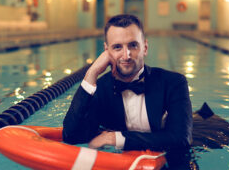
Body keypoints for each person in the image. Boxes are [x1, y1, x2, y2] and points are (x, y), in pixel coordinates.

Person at [63, 14, 193, 169]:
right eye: (117, 47)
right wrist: (91, 75)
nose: (126, 55)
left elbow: (181, 139)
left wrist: (115, 138)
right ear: (106, 50)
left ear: (145, 47)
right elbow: (71, 137)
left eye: (133, 45)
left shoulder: (173, 83)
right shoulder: (100, 88)